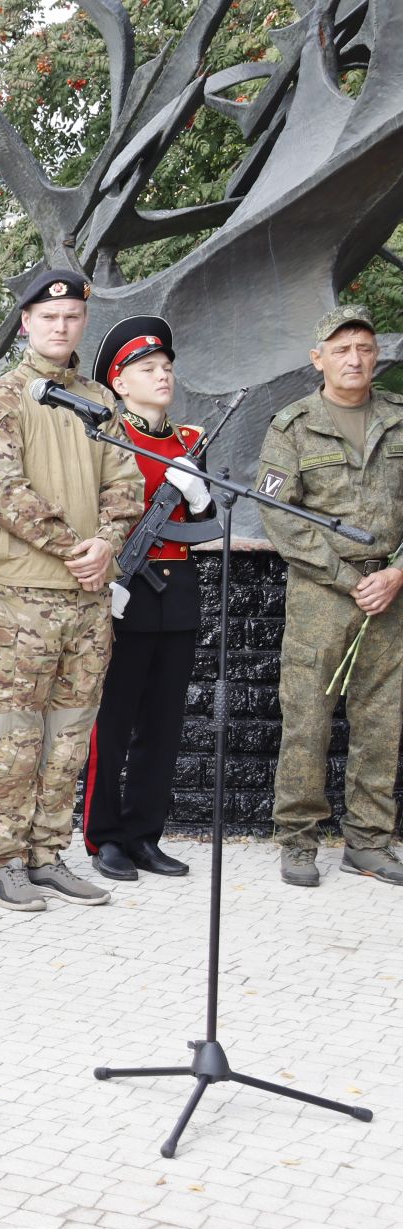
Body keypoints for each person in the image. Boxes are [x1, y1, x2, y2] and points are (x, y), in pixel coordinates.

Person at [0, 269, 143, 912]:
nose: (61, 326)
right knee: (16, 737)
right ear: (26, 324)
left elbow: (127, 483)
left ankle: (48, 854)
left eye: (71, 318)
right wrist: (79, 548)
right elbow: (3, 490)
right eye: (49, 317)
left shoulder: (100, 400)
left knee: (70, 735)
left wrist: (108, 543)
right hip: (25, 602)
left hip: (89, 599)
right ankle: (6, 862)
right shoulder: (1, 400)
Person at [255, 304, 403, 888]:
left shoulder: (398, 418)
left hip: (391, 592)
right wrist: (349, 578)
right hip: (323, 592)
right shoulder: (292, 426)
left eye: (364, 348)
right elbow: (278, 514)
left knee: (382, 720)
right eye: (340, 349)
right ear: (317, 358)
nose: (354, 358)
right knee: (307, 718)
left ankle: (368, 841)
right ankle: (298, 840)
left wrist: (395, 574)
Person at [79, 316, 206, 882]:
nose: (163, 376)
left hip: (175, 594)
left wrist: (200, 497)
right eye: (148, 369)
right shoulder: (108, 438)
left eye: (167, 367)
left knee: (163, 723)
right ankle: (103, 836)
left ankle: (144, 834)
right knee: (112, 720)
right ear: (120, 383)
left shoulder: (190, 442)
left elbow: (206, 523)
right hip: (122, 590)